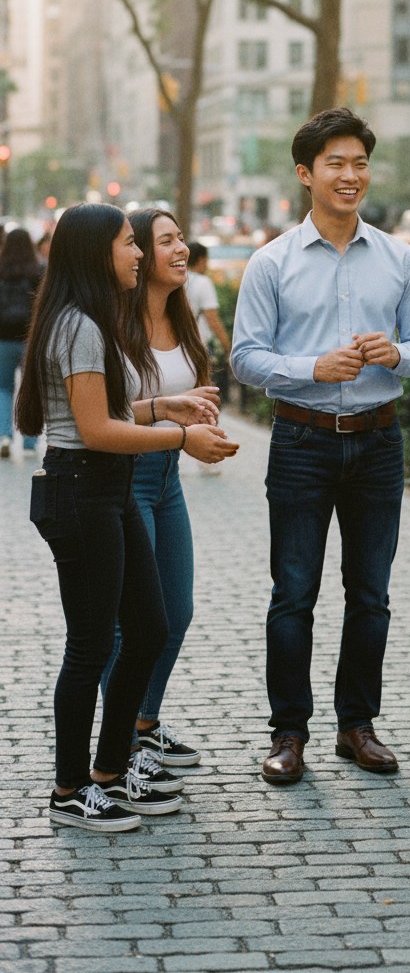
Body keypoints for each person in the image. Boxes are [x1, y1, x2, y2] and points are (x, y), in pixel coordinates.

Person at [231, 107, 410, 785]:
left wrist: (399, 354)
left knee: (371, 594)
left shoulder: (400, 258)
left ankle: (358, 727)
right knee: (293, 593)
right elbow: (244, 359)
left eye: (359, 163)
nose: (351, 176)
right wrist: (311, 368)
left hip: (379, 443)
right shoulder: (271, 263)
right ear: (305, 174)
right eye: (336, 164)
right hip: (301, 439)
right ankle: (289, 734)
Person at [16, 202, 237, 832]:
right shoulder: (80, 325)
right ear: (95, 254)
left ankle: (112, 771)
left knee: (148, 627)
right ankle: (69, 791)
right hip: (82, 493)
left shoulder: (90, 321)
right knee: (90, 647)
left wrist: (161, 404)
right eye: (127, 244)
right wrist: (178, 435)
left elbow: (108, 415)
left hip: (104, 491)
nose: (139, 253)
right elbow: (92, 431)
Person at [102, 210, 239, 773]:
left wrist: (202, 412)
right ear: (137, 251)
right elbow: (93, 415)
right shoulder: (110, 324)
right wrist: (177, 429)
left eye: (181, 238)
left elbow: (188, 392)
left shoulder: (183, 320)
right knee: (131, 622)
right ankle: (121, 746)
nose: (181, 249)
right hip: (125, 480)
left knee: (175, 612)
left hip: (167, 482)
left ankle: (144, 724)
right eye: (165, 241)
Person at [0, 227, 44, 458]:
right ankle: (29, 440)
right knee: (32, 389)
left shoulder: (1, 269)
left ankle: (4, 435)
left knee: (3, 388)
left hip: (3, 337)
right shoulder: (38, 270)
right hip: (30, 338)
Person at [186, 242, 232, 360]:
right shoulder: (203, 282)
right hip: (200, 345)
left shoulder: (179, 279)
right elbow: (213, 320)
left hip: (180, 344)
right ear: (201, 259)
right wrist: (228, 348)